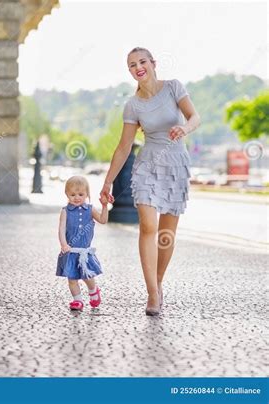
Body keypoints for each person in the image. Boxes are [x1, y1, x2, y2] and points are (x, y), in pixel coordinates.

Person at [100, 47, 201, 316]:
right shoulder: (133, 105)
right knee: (148, 226)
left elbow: (195, 117)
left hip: (176, 166)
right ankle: (152, 294)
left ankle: (159, 282)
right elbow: (123, 147)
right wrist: (107, 182)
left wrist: (185, 128)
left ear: (153, 63)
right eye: (132, 65)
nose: (138, 67)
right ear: (130, 71)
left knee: (166, 235)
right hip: (147, 167)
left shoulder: (173, 87)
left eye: (142, 61)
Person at [56, 175, 114, 311]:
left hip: (84, 251)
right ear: (66, 194)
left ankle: (93, 290)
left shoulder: (90, 209)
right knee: (72, 278)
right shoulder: (65, 211)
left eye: (81, 194)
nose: (77, 197)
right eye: (72, 194)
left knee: (87, 275)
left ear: (87, 194)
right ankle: (77, 300)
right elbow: (61, 229)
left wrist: (105, 206)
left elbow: (103, 220)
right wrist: (64, 244)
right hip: (70, 251)